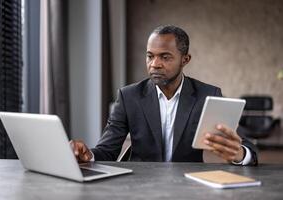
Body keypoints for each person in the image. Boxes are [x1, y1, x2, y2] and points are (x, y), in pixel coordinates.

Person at [70, 25, 258, 165]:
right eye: (150, 56)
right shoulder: (129, 97)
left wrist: (240, 154)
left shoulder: (207, 95)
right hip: (139, 185)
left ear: (185, 59)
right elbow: (107, 150)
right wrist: (88, 155)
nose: (155, 64)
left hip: (187, 185)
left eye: (165, 57)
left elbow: (249, 150)